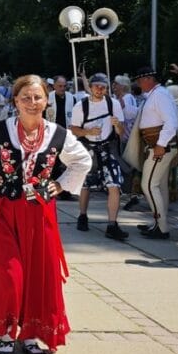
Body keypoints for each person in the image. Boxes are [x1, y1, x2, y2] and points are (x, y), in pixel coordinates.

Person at [0, 75, 91, 354]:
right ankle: (6, 334)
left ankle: (29, 335)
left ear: (46, 100)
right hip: (3, 210)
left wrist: (62, 184)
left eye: (38, 97)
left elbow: (83, 161)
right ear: (15, 101)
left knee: (37, 275)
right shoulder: (0, 130)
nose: (32, 103)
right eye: (26, 98)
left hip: (38, 213)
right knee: (10, 274)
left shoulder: (58, 134)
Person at [71, 73, 128, 240]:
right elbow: (74, 129)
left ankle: (112, 224)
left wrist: (117, 126)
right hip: (88, 148)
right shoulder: (81, 106)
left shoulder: (113, 104)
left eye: (103, 87)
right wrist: (87, 131)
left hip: (107, 148)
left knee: (114, 184)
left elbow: (121, 132)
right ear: (90, 87)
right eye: (97, 86)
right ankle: (82, 215)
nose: (100, 90)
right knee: (85, 184)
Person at [131, 66, 178, 239]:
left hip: (161, 147)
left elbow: (171, 122)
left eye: (139, 80)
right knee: (159, 186)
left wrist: (160, 144)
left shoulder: (159, 95)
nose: (138, 84)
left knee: (149, 185)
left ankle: (162, 227)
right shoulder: (156, 94)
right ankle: (160, 224)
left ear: (148, 79)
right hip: (160, 145)